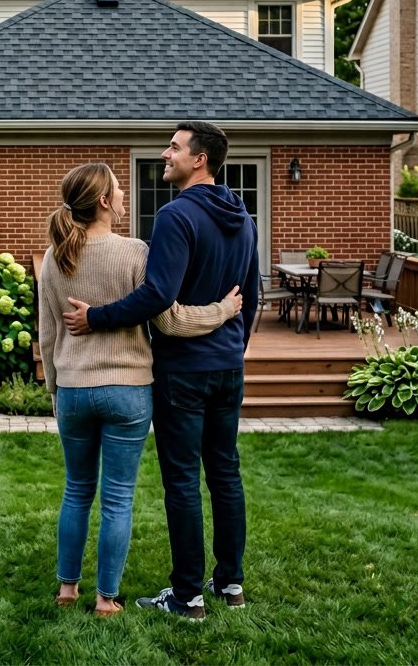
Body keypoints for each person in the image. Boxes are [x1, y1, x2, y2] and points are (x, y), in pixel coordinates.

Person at [63, 123, 259, 622]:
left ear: (200, 159)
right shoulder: (243, 215)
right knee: (226, 472)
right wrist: (234, 348)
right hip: (227, 366)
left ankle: (188, 596)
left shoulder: (175, 215)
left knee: (183, 480)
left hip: (183, 370)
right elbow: (251, 295)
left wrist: (96, 317)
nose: (165, 154)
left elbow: (157, 297)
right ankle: (231, 583)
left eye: (174, 147)